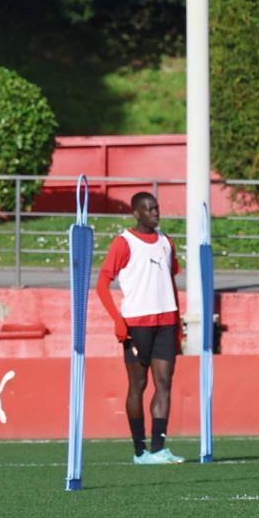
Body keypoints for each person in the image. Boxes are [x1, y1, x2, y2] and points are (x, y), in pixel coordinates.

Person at [96, 192, 185, 465]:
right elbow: (102, 284)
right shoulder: (123, 243)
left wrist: (178, 322)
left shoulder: (166, 241)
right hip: (136, 324)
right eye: (149, 209)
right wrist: (118, 320)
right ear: (136, 213)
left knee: (164, 383)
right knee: (138, 384)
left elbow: (169, 282)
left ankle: (159, 448)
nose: (155, 213)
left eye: (156, 208)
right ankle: (139, 451)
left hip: (166, 322)